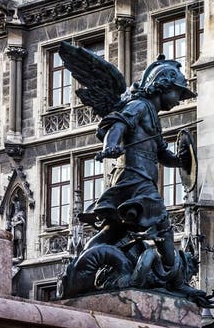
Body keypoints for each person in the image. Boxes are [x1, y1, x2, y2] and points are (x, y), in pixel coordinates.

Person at [79, 57, 195, 274]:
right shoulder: (139, 106)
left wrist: (181, 160)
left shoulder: (154, 117)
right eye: (177, 93)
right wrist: (111, 145)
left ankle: (84, 261)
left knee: (114, 231)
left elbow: (163, 155)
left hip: (141, 178)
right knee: (161, 219)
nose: (179, 101)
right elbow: (117, 125)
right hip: (133, 176)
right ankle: (171, 271)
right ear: (163, 86)